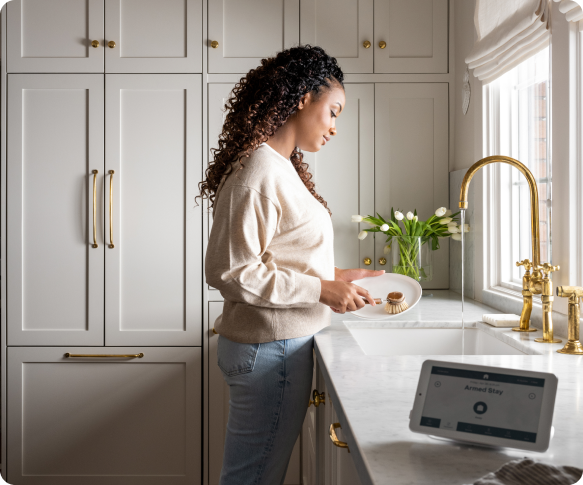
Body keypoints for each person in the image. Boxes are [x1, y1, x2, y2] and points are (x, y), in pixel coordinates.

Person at [198, 45, 384, 485]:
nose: (335, 127)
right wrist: (321, 290)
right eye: (333, 111)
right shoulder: (259, 170)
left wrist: (334, 277)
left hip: (274, 347)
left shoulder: (279, 166)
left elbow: (276, 255)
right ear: (302, 98)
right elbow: (230, 271)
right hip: (270, 349)